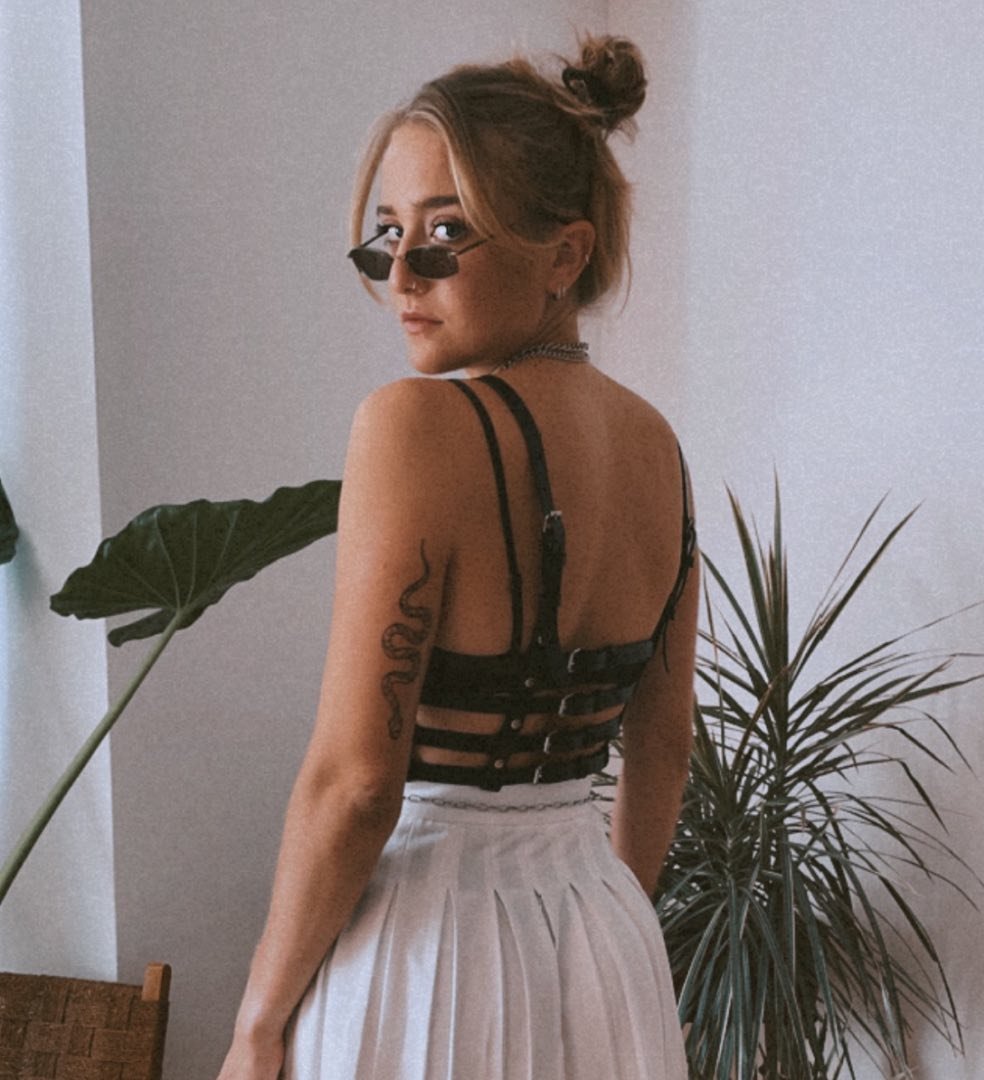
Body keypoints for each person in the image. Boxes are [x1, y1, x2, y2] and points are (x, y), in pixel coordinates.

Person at [216, 33, 698, 1080]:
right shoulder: (657, 446)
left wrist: (256, 1023)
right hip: (605, 938)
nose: (401, 274)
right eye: (386, 236)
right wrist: (603, 923)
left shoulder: (413, 426)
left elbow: (357, 784)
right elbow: (664, 746)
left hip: (428, 947)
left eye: (444, 235)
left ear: (564, 256)